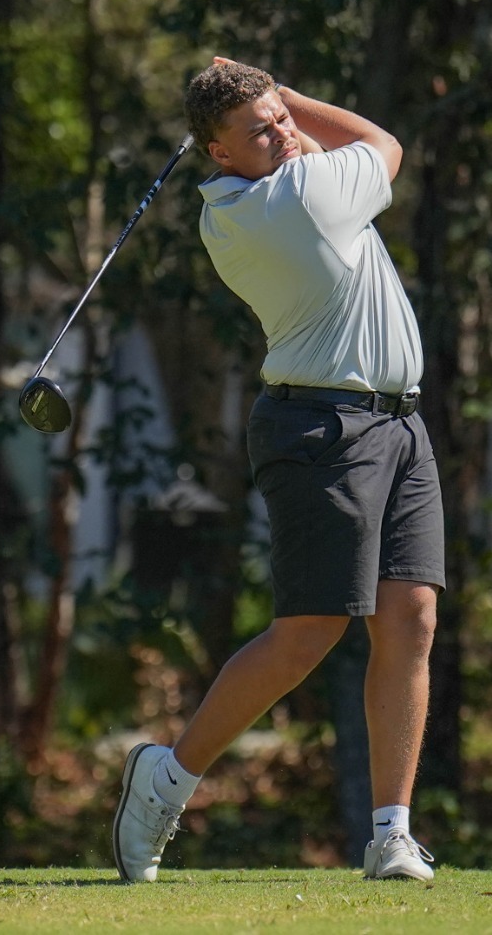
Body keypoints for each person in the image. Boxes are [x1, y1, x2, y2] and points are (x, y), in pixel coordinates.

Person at [110, 58, 444, 883]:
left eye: (281, 120)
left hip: (398, 422)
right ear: (219, 155)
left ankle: (391, 833)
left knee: (411, 617)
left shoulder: (240, 199)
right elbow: (384, 142)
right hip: (324, 427)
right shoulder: (300, 198)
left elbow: (331, 146)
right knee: (310, 631)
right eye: (261, 131)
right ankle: (166, 779)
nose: (285, 135)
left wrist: (270, 109)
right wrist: (291, 93)